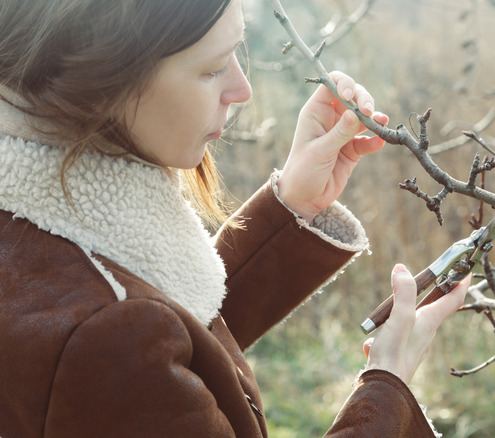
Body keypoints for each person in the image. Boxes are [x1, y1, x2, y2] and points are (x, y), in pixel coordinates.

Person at [0, 0, 470, 437]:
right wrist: (388, 387)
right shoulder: (102, 336)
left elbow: (172, 351)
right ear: (105, 75)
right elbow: (131, 346)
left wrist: (294, 203)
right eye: (211, 68)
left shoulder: (41, 233)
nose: (241, 90)